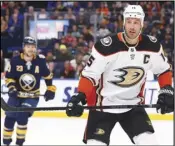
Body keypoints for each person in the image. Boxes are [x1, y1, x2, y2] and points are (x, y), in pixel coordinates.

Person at [66, 5, 174, 145]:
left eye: (136, 22)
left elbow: (163, 70)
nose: (132, 26)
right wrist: (80, 96)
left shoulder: (152, 46)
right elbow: (89, 76)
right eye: (129, 21)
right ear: (123, 23)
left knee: (150, 142)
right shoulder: (105, 47)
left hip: (133, 106)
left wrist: (167, 89)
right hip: (102, 107)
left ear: (142, 24)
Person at [3, 36, 57, 146]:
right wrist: (12, 88)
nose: (31, 49)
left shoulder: (40, 61)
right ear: (24, 47)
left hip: (32, 96)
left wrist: (50, 89)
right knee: (10, 118)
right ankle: (6, 141)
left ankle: (19, 143)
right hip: (16, 95)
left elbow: (47, 76)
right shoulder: (15, 61)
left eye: (33, 47)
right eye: (28, 46)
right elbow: (9, 78)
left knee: (22, 115)